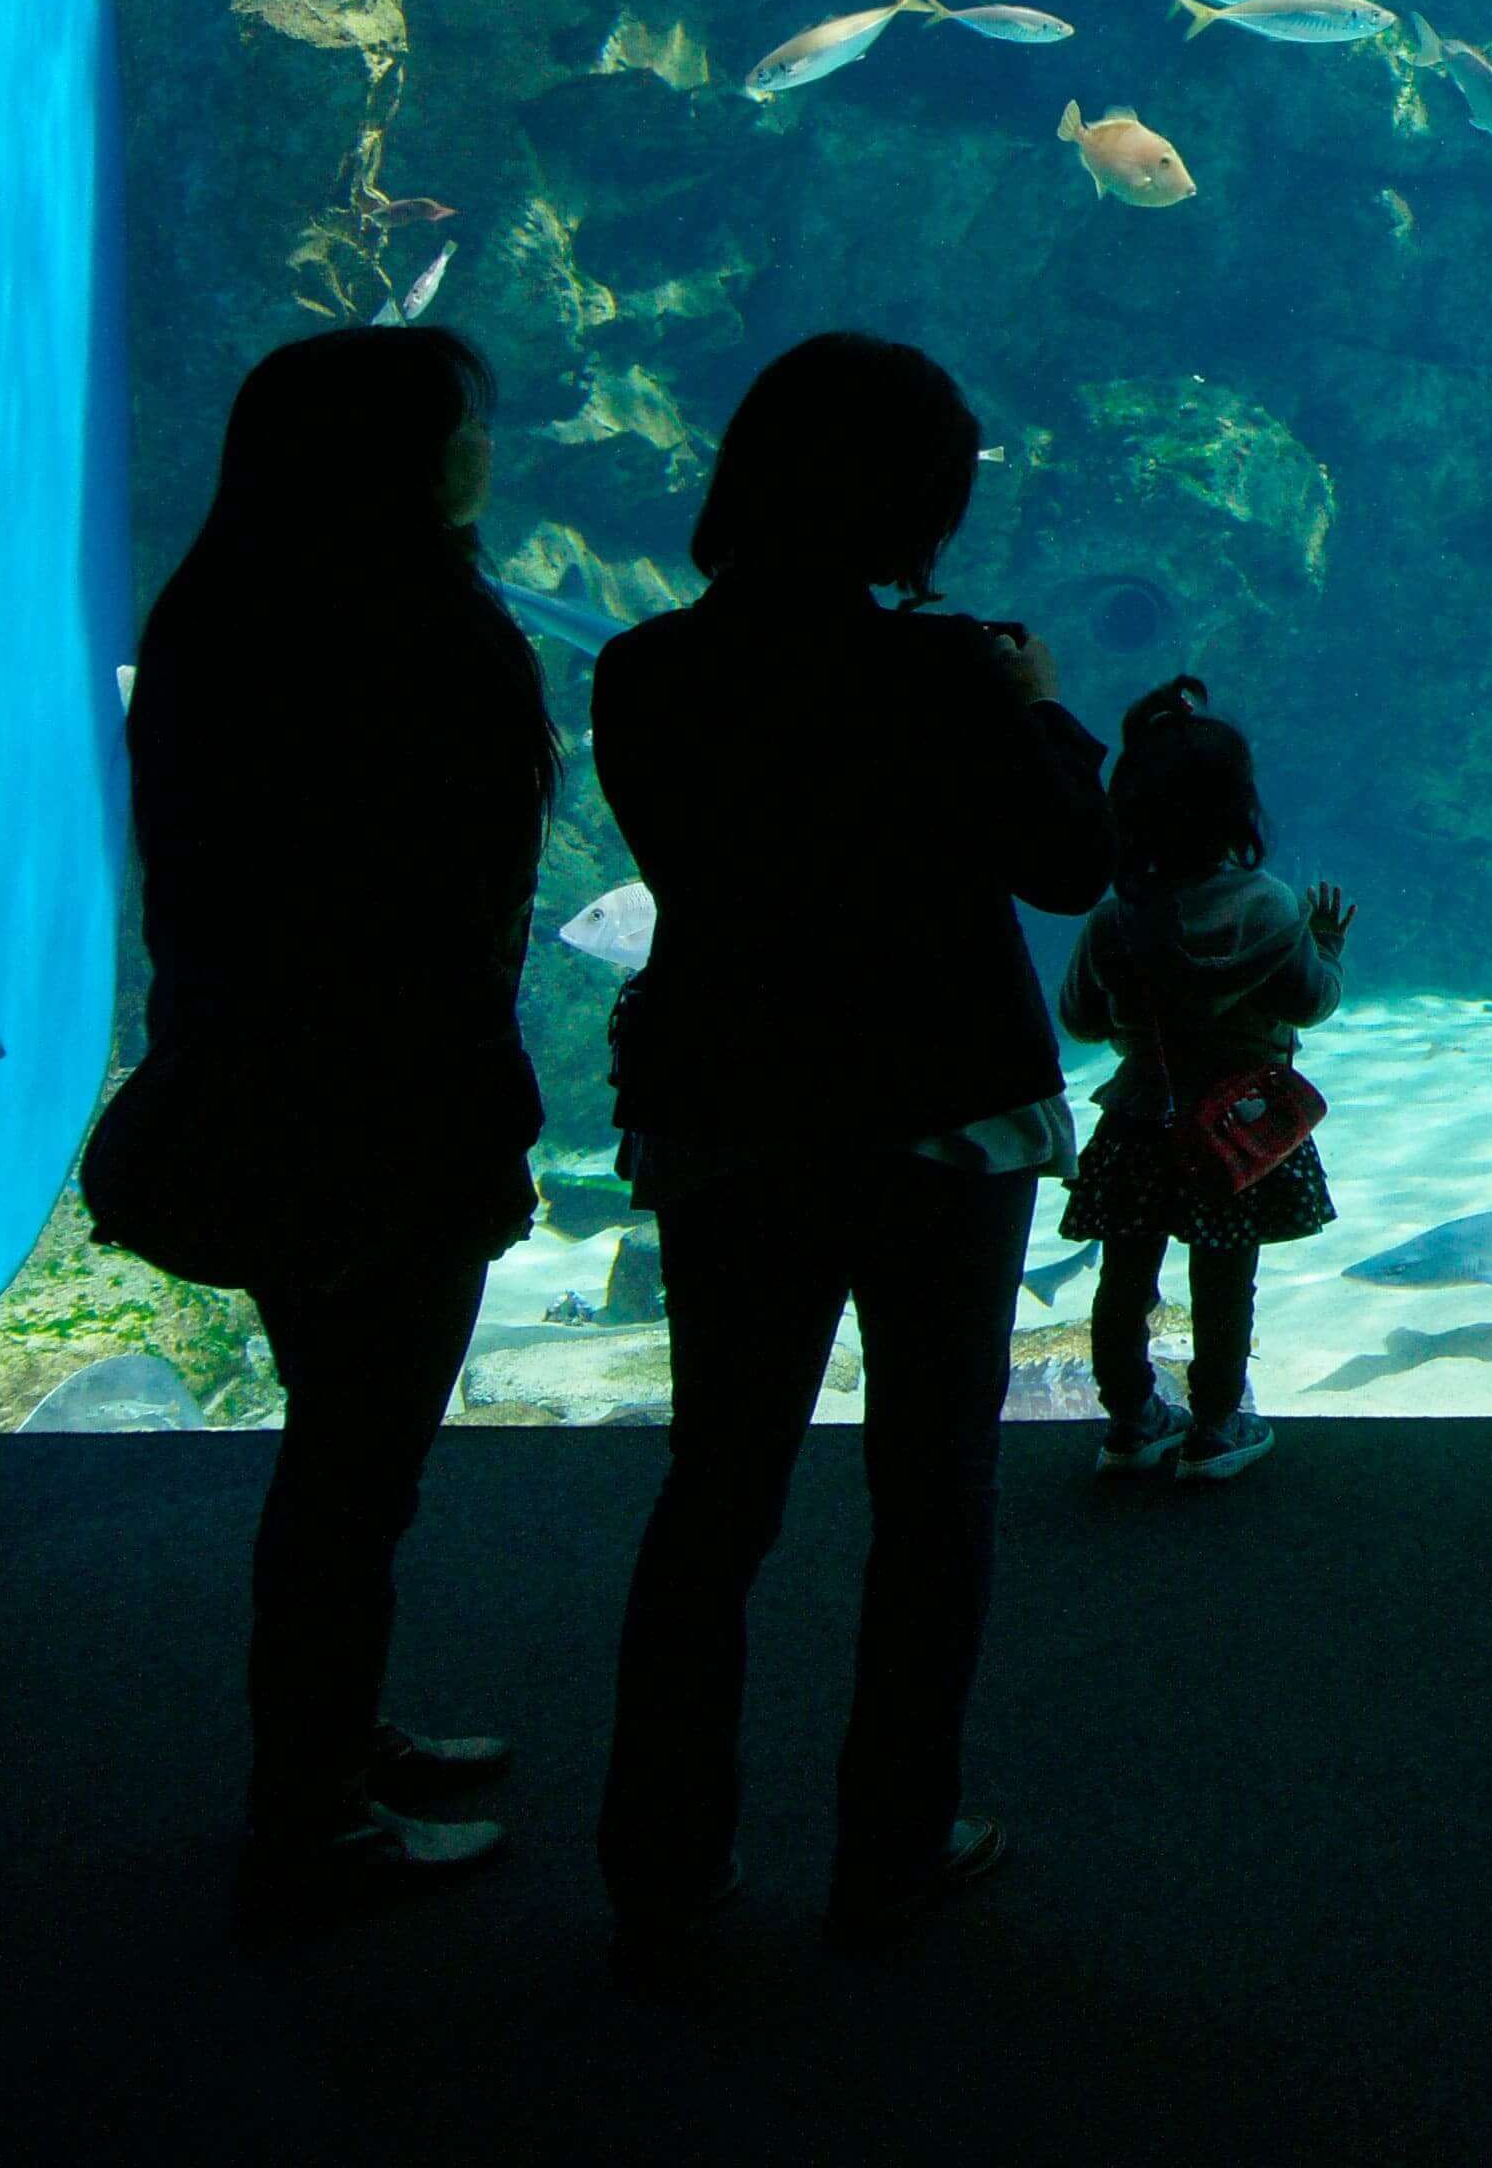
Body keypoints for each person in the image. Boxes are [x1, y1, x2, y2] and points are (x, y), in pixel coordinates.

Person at [588, 334, 1107, 1951]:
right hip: (938, 1117)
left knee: (717, 1486)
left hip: (732, 1108)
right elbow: (1069, 867)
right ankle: (892, 1837)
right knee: (931, 1479)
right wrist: (1044, 714)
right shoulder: (947, 673)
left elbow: (704, 865)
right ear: (913, 502)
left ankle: (661, 1859)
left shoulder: (642, 672)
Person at [107, 327, 554, 1931]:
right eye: (465, 424)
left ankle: (333, 1740)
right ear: (403, 459)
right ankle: (314, 1818)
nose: (486, 448)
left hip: (249, 1090)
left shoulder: (217, 614)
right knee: (355, 1479)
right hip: (389, 1115)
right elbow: (455, 913)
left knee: (338, 1459)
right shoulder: (422, 633)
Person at [1053, 675, 1349, 1483]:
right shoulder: (1271, 907)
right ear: (1239, 810)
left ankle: (1129, 1420)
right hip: (1239, 1130)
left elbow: (1079, 1019)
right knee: (1224, 1279)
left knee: (1125, 1277)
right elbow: (1311, 1003)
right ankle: (1218, 1423)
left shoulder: (1114, 917)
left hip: (1142, 1122)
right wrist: (1325, 945)